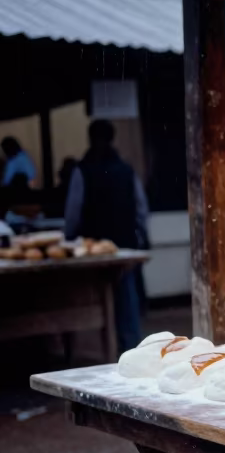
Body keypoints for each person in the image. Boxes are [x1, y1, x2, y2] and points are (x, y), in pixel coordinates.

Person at [65, 120, 150, 352]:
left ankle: (101, 353)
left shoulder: (82, 170)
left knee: (98, 305)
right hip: (123, 244)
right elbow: (141, 209)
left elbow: (73, 212)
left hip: (93, 248)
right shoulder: (125, 169)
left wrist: (69, 240)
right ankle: (129, 351)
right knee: (126, 305)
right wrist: (141, 238)